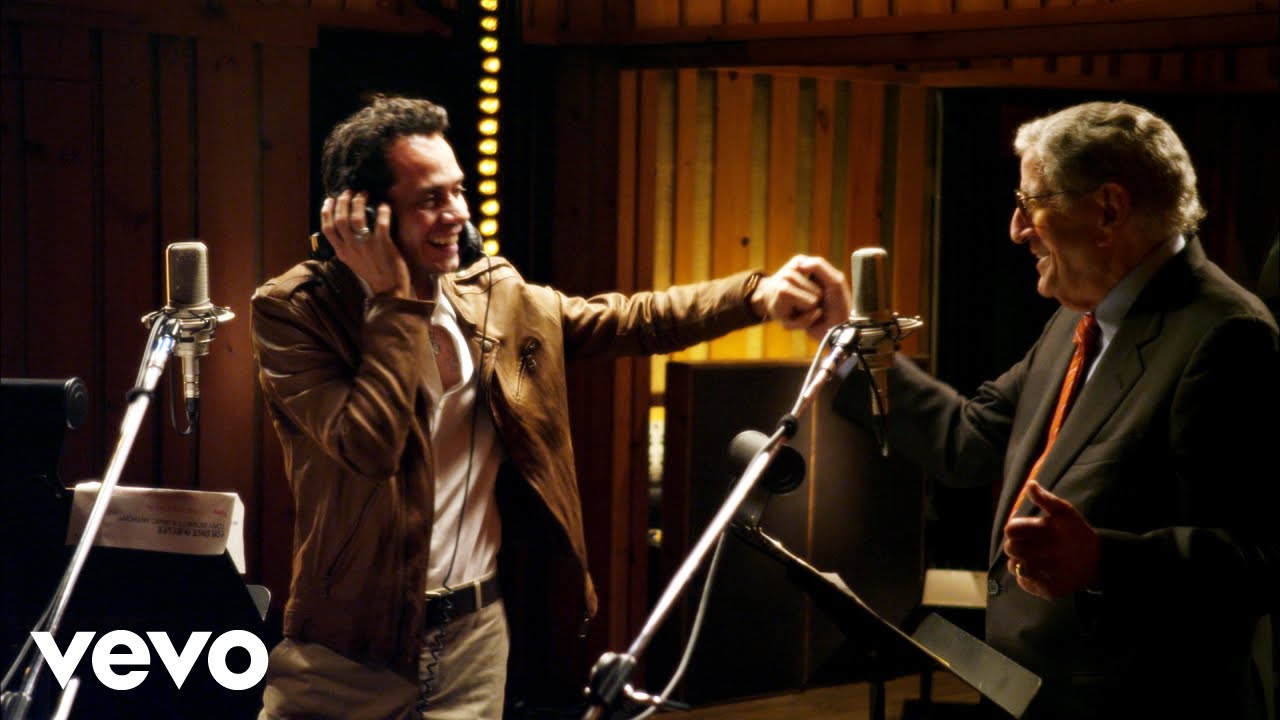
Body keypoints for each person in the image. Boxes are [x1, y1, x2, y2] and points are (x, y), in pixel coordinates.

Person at [250, 95, 851, 720]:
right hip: (351, 650)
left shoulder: (491, 295)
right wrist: (393, 301)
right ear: (364, 219)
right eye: (431, 199)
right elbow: (370, 447)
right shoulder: (296, 311)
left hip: (473, 640)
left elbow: (632, 319)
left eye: (458, 191)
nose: (458, 213)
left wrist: (757, 295)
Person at [834, 101, 1280, 719]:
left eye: (1031, 202)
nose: (1016, 228)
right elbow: (967, 440)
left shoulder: (1226, 334)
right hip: (1028, 695)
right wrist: (851, 347)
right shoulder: (1077, 317)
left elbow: (1256, 559)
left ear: (1109, 210)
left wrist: (1101, 560)